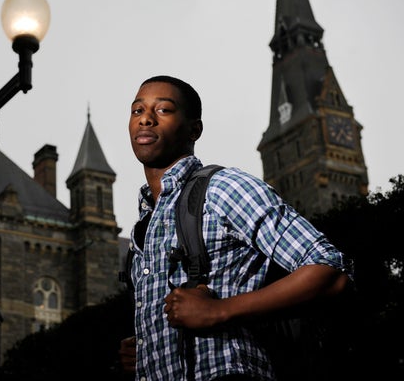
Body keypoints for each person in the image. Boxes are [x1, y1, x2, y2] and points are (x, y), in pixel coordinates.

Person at [119, 75, 353, 381]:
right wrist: (149, 349)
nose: (146, 119)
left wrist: (220, 311)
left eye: (163, 110)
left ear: (194, 129)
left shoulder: (222, 189)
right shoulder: (144, 229)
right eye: (137, 111)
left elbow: (330, 271)